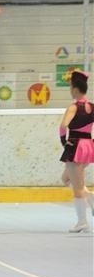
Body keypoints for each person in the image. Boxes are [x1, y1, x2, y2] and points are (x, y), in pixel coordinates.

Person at [59, 70, 94, 233]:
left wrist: (63, 141)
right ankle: (91, 198)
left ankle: (82, 222)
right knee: (66, 178)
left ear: (74, 89)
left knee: (77, 187)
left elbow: (63, 125)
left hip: (76, 145)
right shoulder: (92, 106)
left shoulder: (74, 106)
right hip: (88, 145)